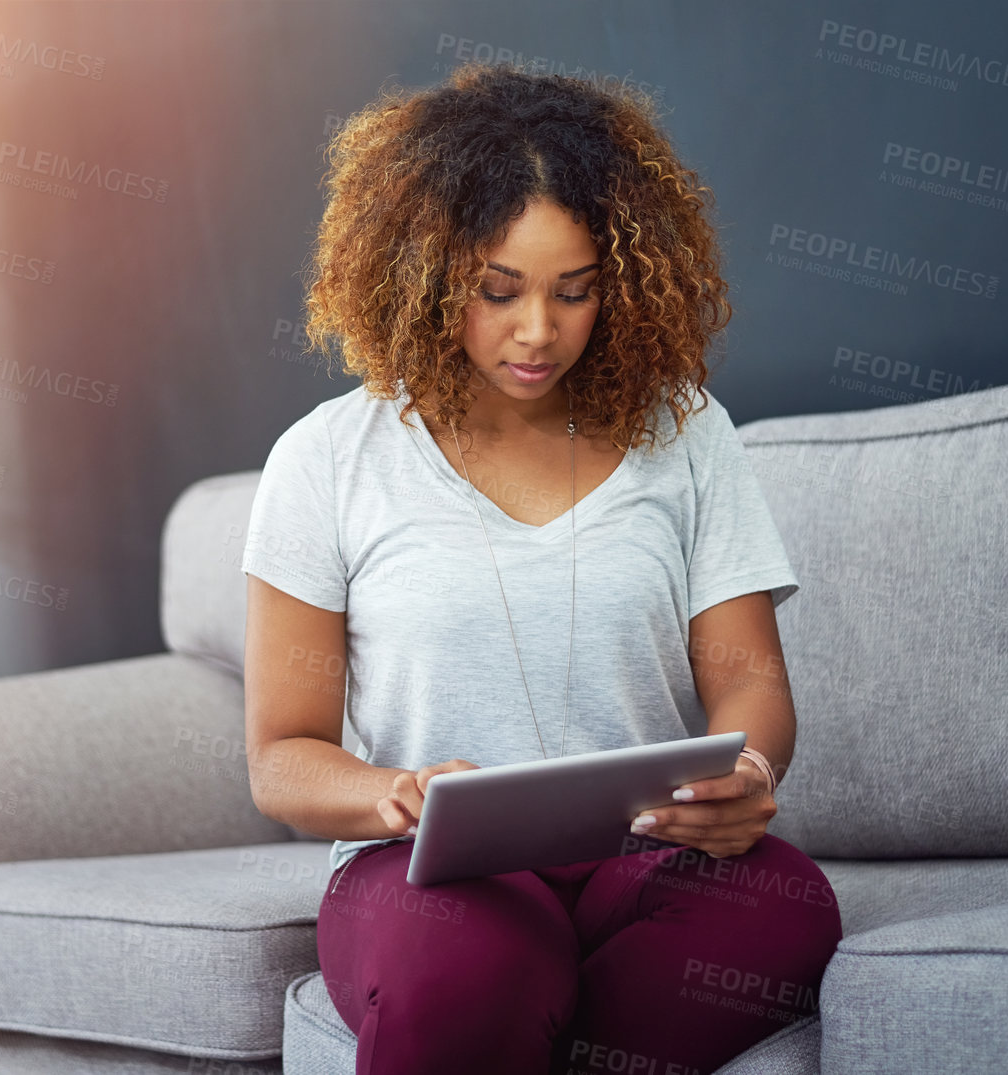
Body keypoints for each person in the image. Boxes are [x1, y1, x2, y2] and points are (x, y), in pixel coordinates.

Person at [241, 61, 842, 1075]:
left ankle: (538, 1017)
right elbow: (282, 758)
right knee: (469, 971)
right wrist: (396, 794)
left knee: (786, 901)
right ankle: (519, 995)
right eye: (497, 290)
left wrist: (745, 771)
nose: (538, 330)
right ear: (423, 276)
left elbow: (749, 682)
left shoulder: (685, 434)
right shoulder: (327, 459)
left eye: (574, 291)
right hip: (429, 875)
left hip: (649, 861)